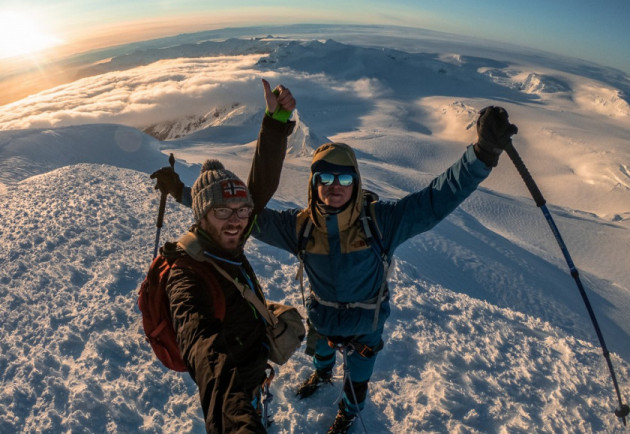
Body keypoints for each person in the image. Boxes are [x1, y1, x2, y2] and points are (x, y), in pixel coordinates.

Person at [245, 105, 518, 433]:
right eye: (325, 177)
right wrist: (187, 195)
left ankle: (347, 411)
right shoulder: (299, 227)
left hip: (365, 327)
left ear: (356, 182)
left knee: (358, 381)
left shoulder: (380, 223)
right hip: (323, 318)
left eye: (344, 177)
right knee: (321, 351)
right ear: (314, 183)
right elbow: (242, 217)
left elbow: (435, 200)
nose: (335, 185)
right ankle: (322, 373)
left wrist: (482, 154)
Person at [150, 80, 296, 433]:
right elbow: (204, 349)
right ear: (200, 217)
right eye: (222, 212)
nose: (236, 222)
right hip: (237, 380)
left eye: (241, 211)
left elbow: (258, 189)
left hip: (253, 361)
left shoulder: (226, 236)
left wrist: (275, 123)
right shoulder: (186, 275)